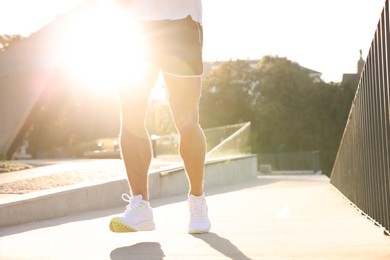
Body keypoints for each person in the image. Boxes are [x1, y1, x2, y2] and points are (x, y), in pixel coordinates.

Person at [108, 0, 211, 234]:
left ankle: (197, 199)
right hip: (133, 27)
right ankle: (140, 205)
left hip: (180, 21)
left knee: (186, 120)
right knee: (131, 116)